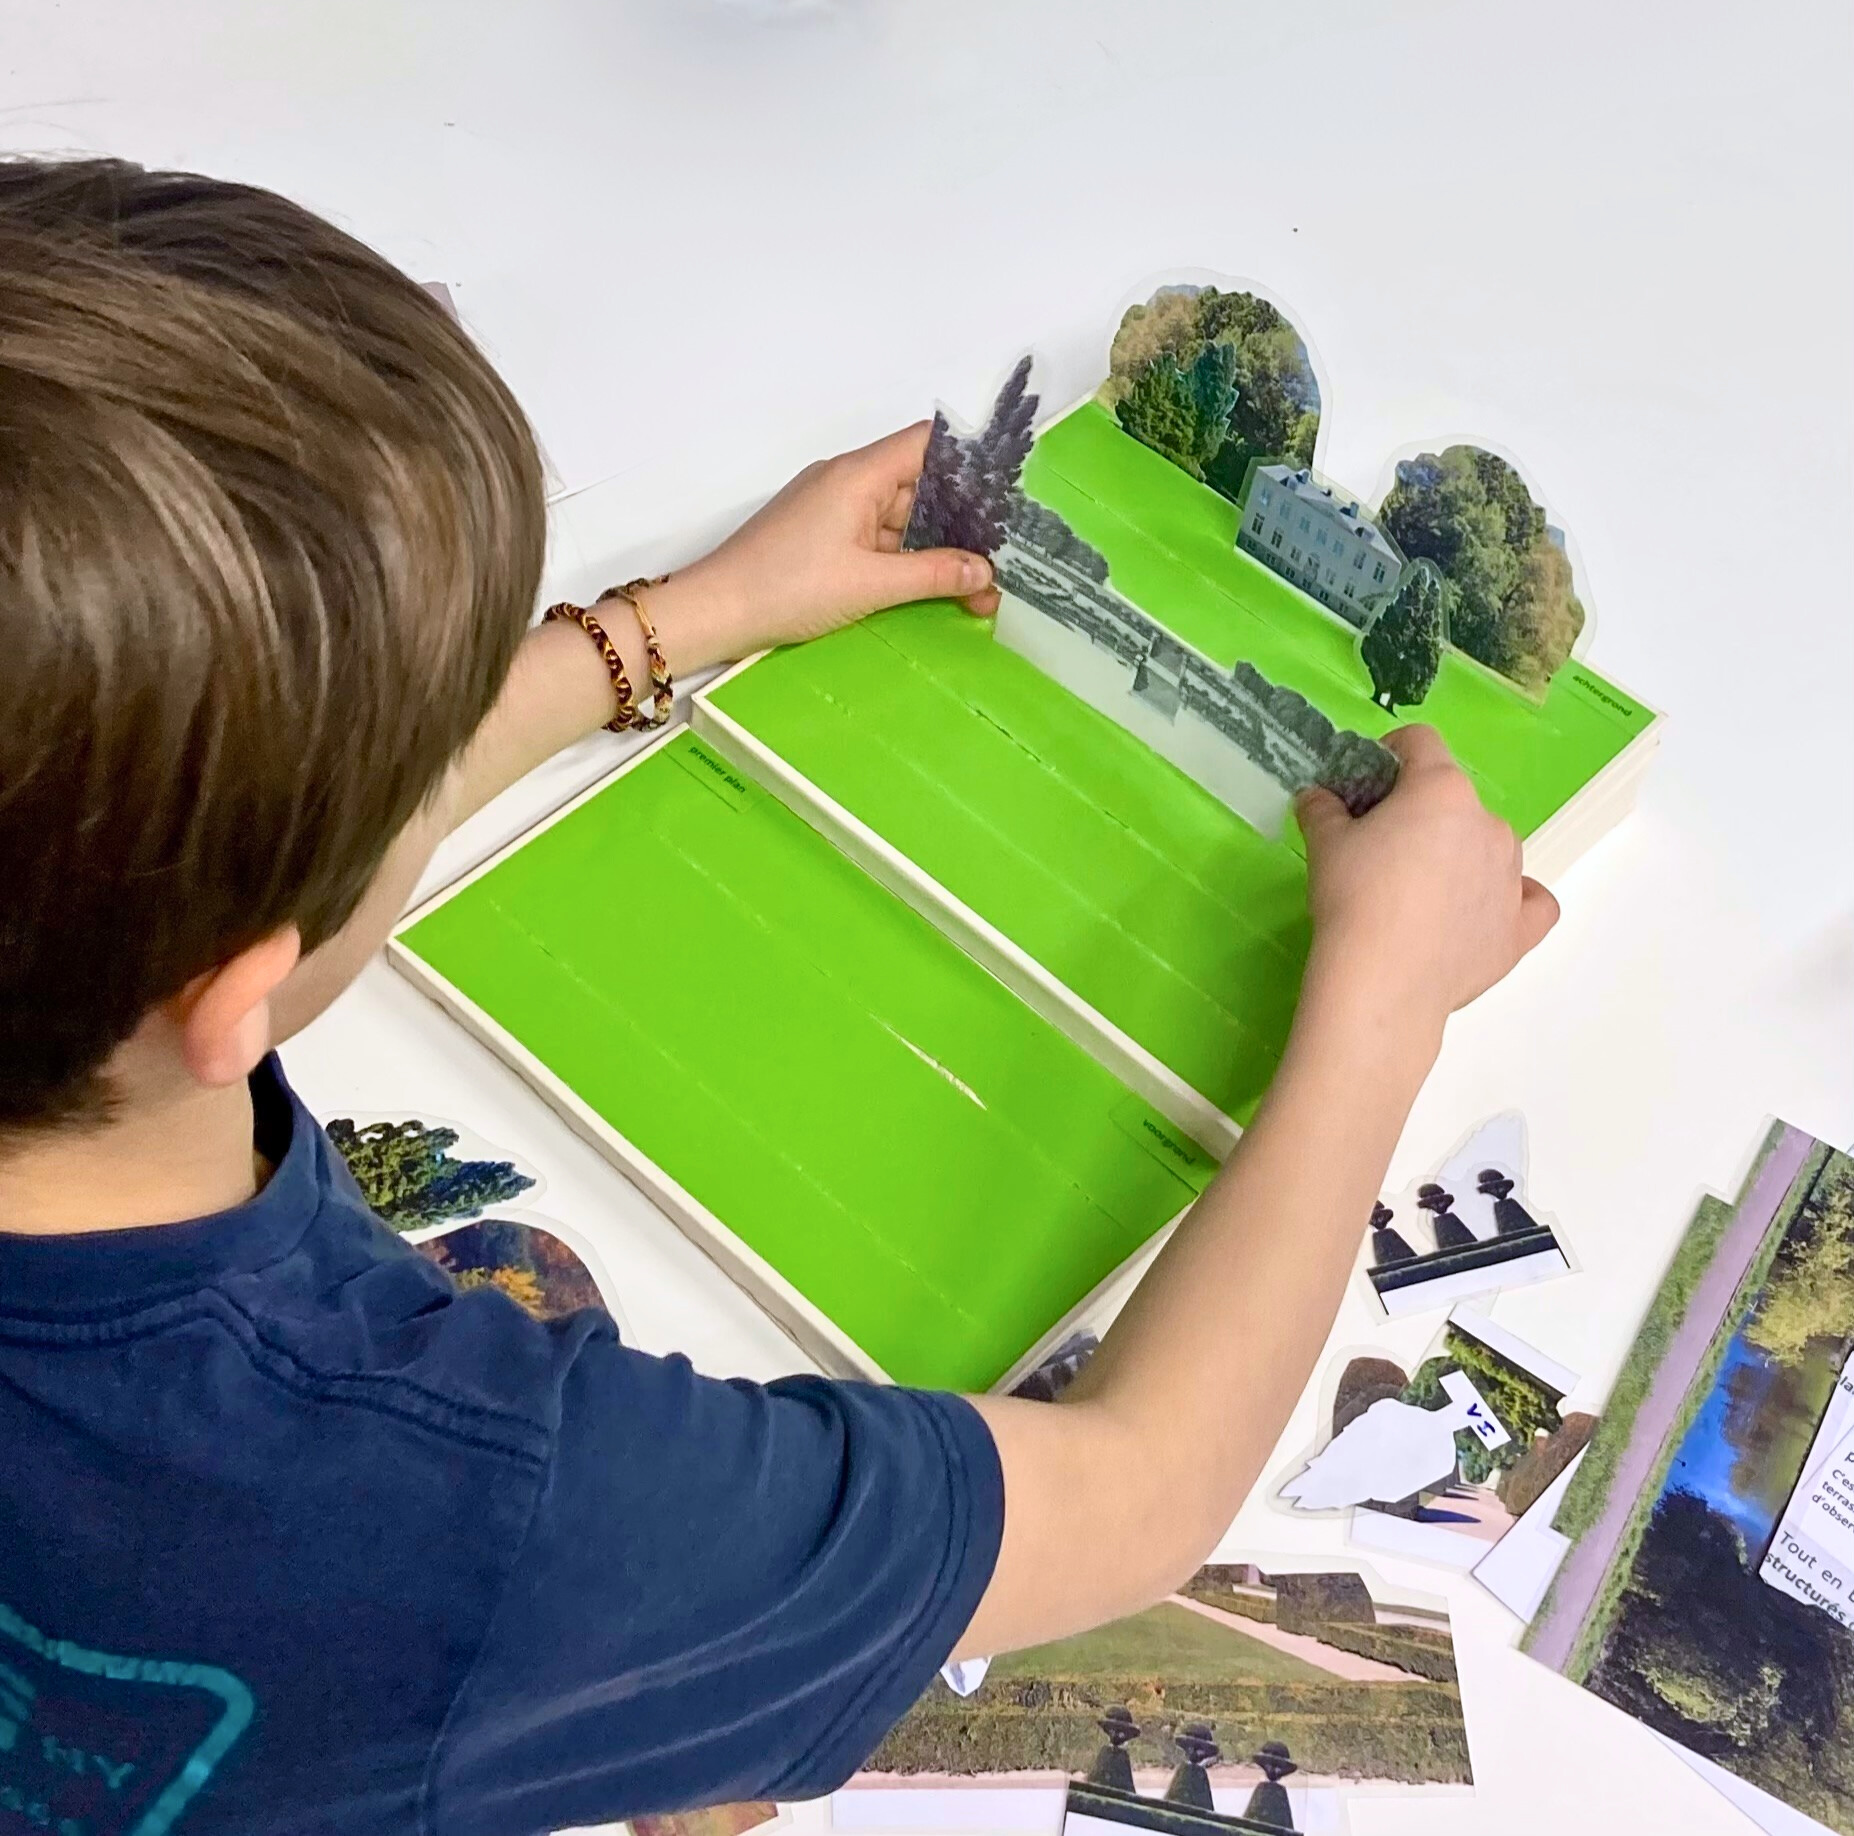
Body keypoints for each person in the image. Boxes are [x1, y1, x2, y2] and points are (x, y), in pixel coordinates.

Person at [0, 157, 1558, 1836]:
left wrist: (673, 623)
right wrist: (1386, 1003)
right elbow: (1140, 1493)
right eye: (413, 766)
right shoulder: (477, 1507)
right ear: (234, 986)